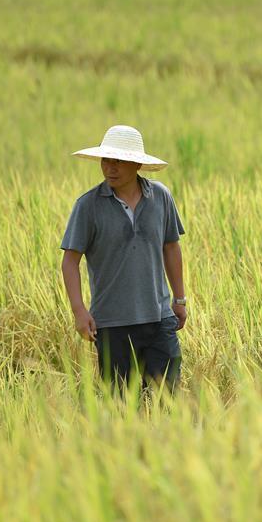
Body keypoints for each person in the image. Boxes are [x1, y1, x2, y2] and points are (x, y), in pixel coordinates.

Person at [60, 124, 187, 400]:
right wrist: (79, 310)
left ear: (137, 164)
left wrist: (179, 300)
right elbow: (70, 261)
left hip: (159, 319)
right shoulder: (88, 205)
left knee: (168, 401)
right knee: (121, 408)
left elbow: (171, 247)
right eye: (107, 160)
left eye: (119, 161)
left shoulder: (161, 197)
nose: (110, 168)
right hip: (112, 325)